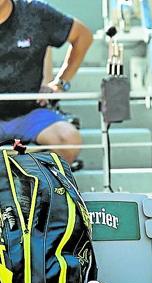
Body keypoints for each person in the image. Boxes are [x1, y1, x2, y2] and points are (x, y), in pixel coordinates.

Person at [0, 0, 92, 164]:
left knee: (68, 140)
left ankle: (42, 184)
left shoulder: (35, 13)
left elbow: (82, 36)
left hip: (29, 114)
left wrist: (60, 84)